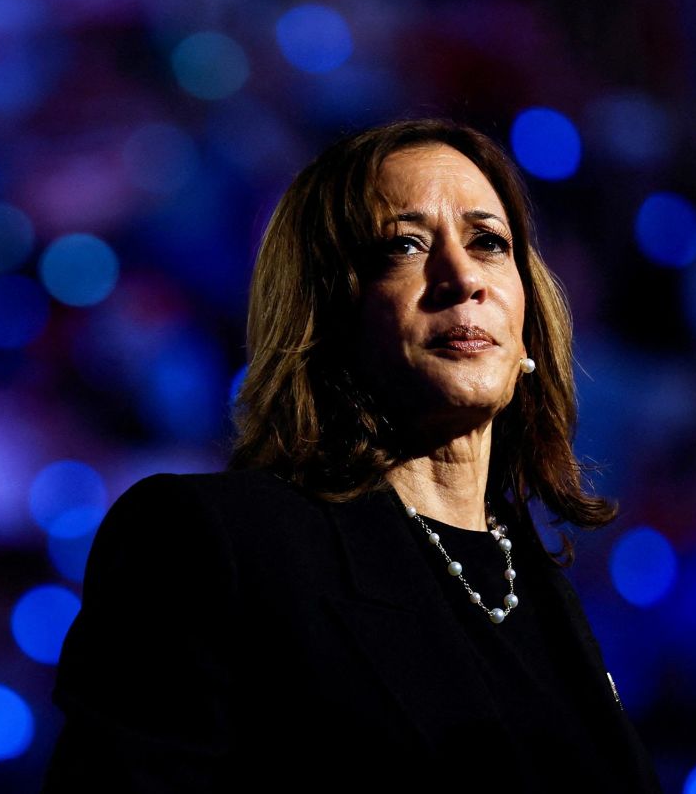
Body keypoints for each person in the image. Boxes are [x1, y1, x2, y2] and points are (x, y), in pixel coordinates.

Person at [42, 118, 662, 792]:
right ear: (324, 315)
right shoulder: (213, 541)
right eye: (403, 245)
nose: (462, 277)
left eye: (488, 242)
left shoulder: (542, 586)